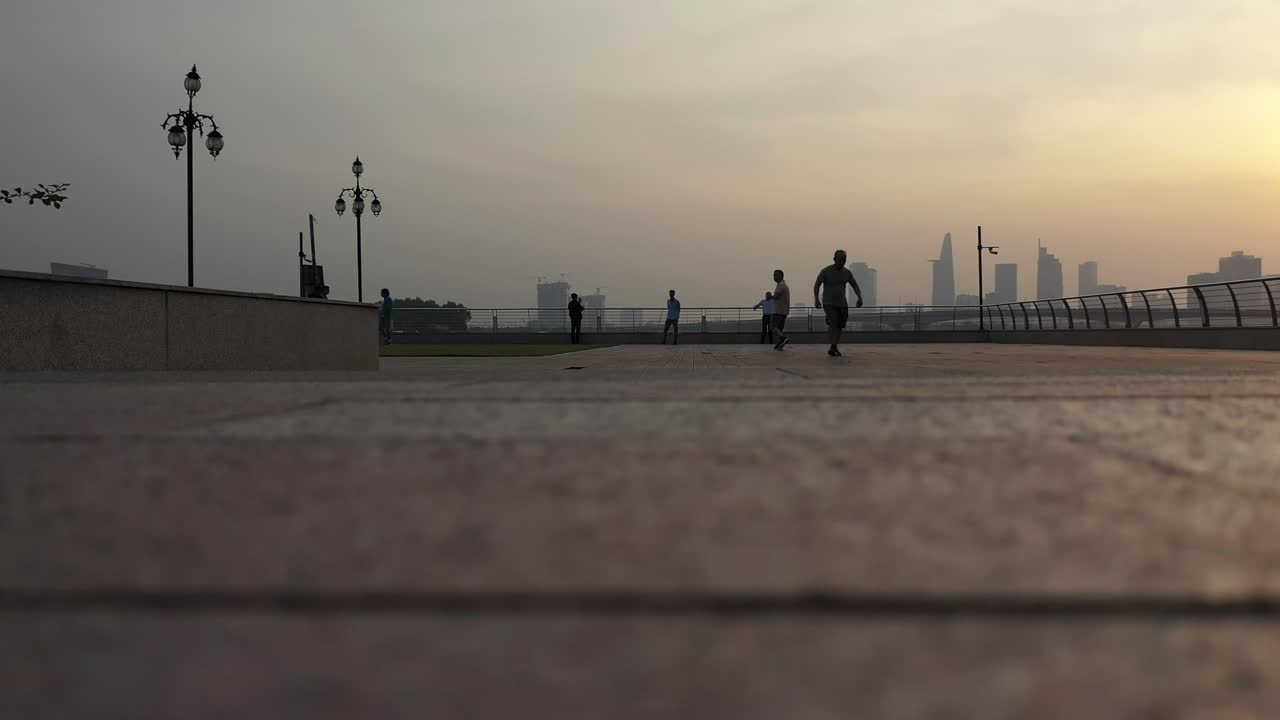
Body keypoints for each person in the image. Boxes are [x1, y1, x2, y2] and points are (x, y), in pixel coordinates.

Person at [813, 250, 863, 356]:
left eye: (843, 260)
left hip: (842, 303)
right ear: (834, 259)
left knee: (840, 325)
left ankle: (834, 346)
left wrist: (859, 297)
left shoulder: (847, 273)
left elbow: (855, 285)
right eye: (839, 260)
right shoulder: (826, 271)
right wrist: (816, 299)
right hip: (829, 302)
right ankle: (833, 346)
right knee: (834, 323)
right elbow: (817, 284)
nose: (841, 262)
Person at [771, 269, 791, 350]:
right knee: (779, 328)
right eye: (774, 275)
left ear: (781, 276)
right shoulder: (785, 285)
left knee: (773, 327)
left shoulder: (780, 285)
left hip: (778, 310)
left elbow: (776, 296)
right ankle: (780, 343)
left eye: (776, 275)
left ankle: (782, 338)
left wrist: (770, 297)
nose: (774, 277)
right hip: (784, 311)